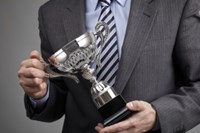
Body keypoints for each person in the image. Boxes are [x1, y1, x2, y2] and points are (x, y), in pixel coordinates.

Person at [17, 0, 200, 132]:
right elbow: (59, 94)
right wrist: (41, 93)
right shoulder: (51, 12)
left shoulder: (178, 3)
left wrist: (157, 115)